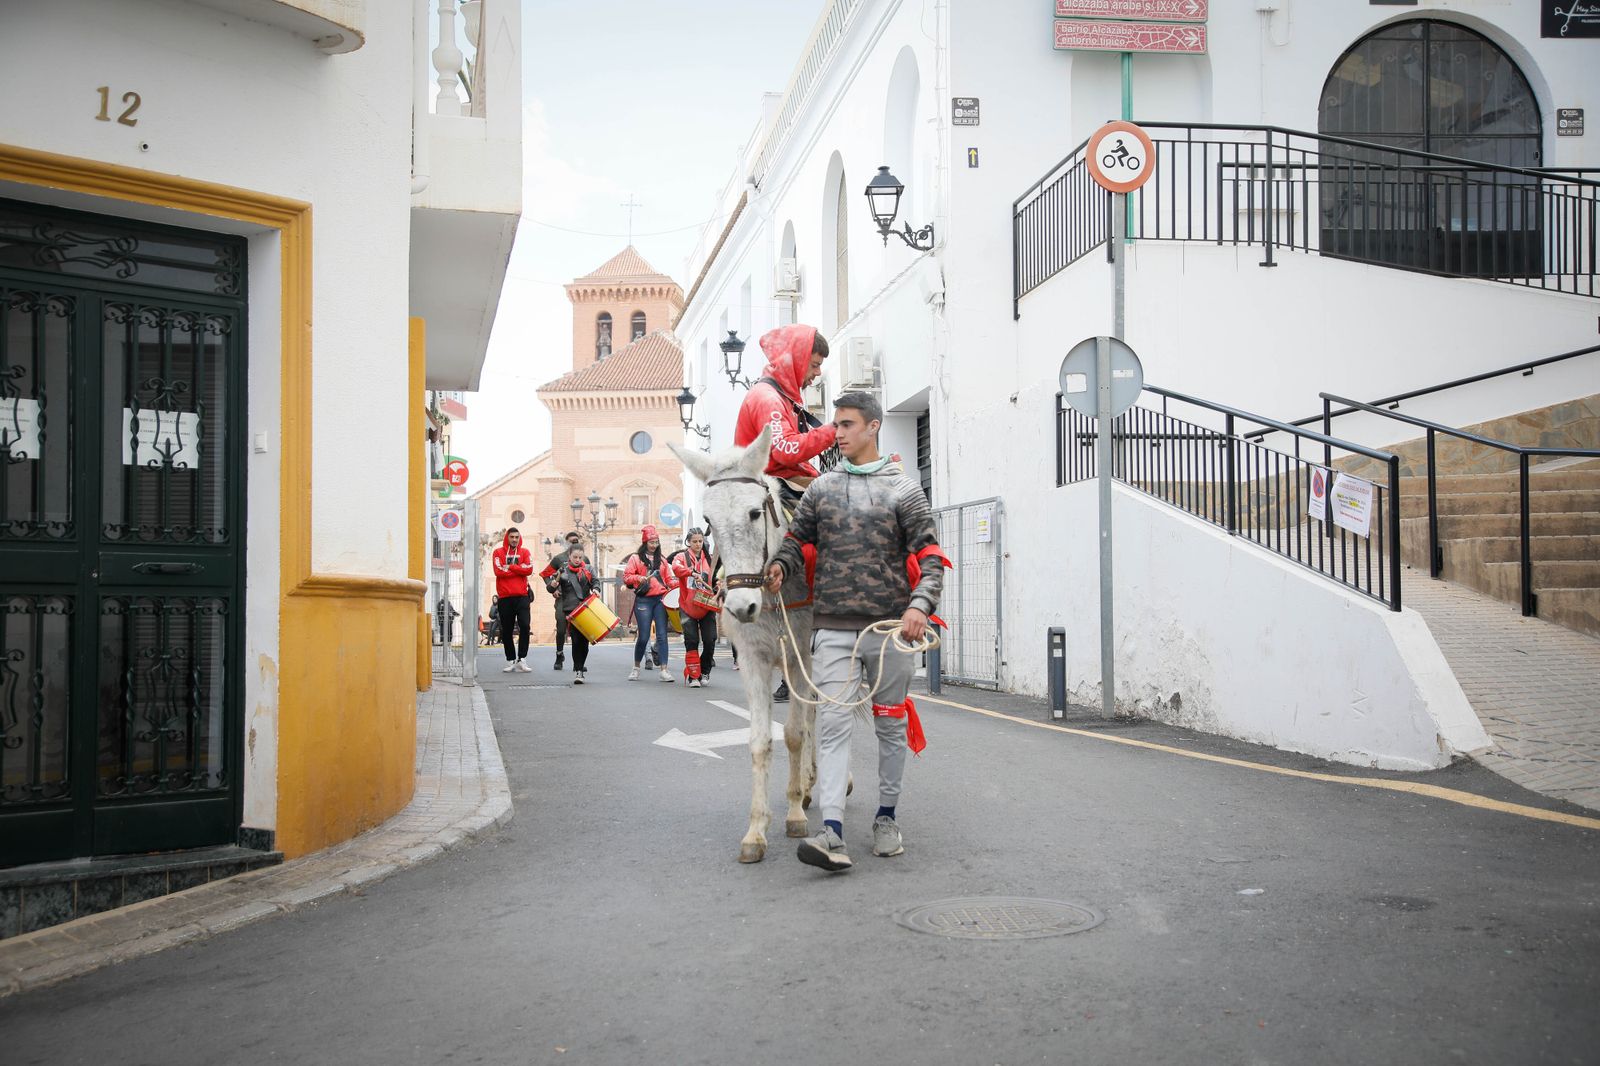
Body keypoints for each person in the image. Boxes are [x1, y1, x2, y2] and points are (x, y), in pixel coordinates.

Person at [767, 391, 945, 874]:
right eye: (836, 425)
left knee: (889, 725)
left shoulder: (904, 490)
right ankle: (832, 833)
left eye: (846, 425)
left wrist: (920, 607)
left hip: (891, 632)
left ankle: (886, 819)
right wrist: (781, 565)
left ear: (872, 427)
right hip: (833, 629)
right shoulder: (822, 488)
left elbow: (931, 560)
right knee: (832, 726)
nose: (837, 433)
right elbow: (794, 540)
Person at [733, 323, 836, 704]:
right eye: (814, 363)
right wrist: (834, 431)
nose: (817, 373)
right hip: (773, 486)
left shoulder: (782, 397)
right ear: (796, 358)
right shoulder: (768, 398)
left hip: (787, 481)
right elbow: (787, 450)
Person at [623, 524, 678, 682]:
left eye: (656, 542)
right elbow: (627, 577)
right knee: (643, 636)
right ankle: (636, 667)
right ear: (645, 542)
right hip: (644, 600)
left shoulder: (662, 560)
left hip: (660, 600)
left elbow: (669, 580)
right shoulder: (635, 558)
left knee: (662, 636)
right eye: (651, 542)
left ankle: (664, 670)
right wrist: (639, 578)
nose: (654, 545)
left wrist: (679, 583)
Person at [672, 527, 722, 688]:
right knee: (691, 640)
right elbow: (676, 568)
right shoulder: (681, 557)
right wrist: (691, 572)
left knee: (710, 639)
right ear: (688, 541)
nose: (698, 544)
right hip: (688, 606)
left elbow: (717, 578)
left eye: (700, 541)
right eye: (694, 541)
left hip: (707, 606)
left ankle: (705, 670)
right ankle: (694, 676)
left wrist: (719, 584)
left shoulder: (710, 559)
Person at [550, 544, 598, 684]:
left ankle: (580, 667)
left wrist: (596, 589)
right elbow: (550, 587)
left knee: (584, 642)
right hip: (571, 610)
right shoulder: (562, 571)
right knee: (576, 640)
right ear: (569, 556)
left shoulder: (588, 569)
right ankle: (578, 670)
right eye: (575, 557)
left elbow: (595, 582)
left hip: (586, 609)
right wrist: (553, 586)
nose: (577, 559)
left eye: (580, 557)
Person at [491, 527, 535, 673]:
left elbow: (529, 569)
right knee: (506, 630)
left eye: (517, 537)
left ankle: (522, 659)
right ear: (507, 537)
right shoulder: (498, 553)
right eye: (512, 537)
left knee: (525, 626)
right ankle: (511, 660)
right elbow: (498, 571)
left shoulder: (525, 552)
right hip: (505, 598)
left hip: (522, 596)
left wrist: (510, 566)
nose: (514, 539)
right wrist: (518, 568)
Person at [543, 531, 585, 670]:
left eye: (576, 541)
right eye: (572, 541)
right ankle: (559, 655)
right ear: (566, 542)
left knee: (578, 631)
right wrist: (553, 589)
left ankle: (578, 663)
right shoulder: (558, 559)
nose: (574, 543)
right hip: (562, 598)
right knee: (561, 627)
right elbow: (545, 574)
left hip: (579, 600)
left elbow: (590, 578)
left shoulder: (584, 559)